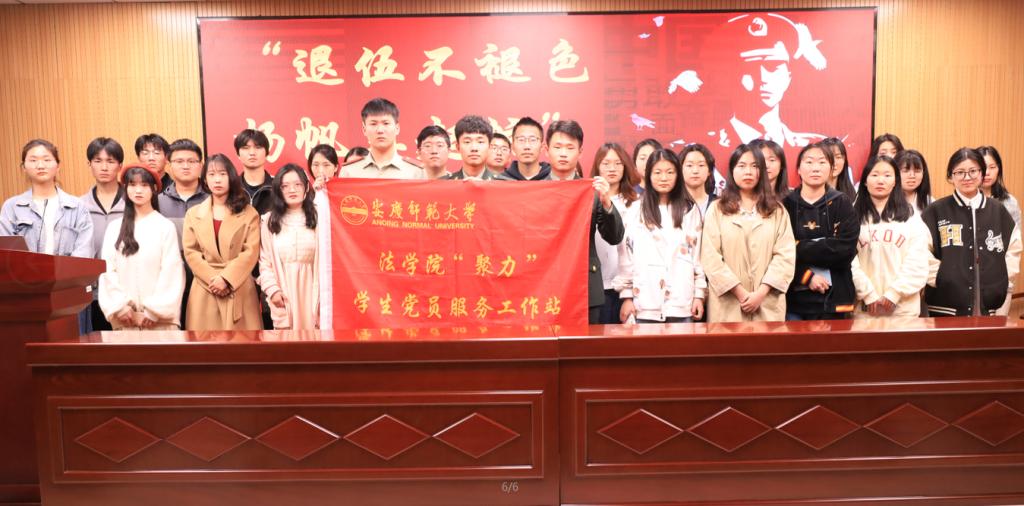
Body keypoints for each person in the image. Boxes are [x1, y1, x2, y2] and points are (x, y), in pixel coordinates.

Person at [1, 140, 94, 333]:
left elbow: (84, 254)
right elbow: (7, 253)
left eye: (46, 159)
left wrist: (60, 282)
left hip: (69, 295)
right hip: (26, 296)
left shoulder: (77, 207)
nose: (40, 165)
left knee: (71, 346)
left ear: (58, 165)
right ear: (24, 167)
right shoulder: (12, 207)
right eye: (33, 160)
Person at [539, 120, 624, 322]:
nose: (563, 153)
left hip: (585, 286)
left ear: (580, 152)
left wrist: (607, 203)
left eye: (570, 148)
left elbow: (614, 237)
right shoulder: (535, 191)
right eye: (557, 147)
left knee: (585, 342)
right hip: (543, 284)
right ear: (546, 150)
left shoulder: (592, 192)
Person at [701, 143, 795, 322]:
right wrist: (740, 293)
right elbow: (710, 257)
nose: (748, 172)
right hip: (728, 305)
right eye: (742, 166)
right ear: (732, 170)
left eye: (755, 166)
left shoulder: (777, 211)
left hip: (766, 304)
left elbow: (785, 257)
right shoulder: (717, 209)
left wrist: (760, 294)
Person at [922, 148, 1021, 316]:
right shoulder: (936, 211)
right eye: (960, 172)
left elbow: (1013, 248)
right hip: (945, 304)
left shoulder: (997, 210)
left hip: (990, 303)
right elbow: (921, 251)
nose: (967, 177)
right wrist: (940, 277)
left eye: (973, 171)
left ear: (981, 173)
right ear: (950, 176)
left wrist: (1001, 278)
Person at [616, 149, 705, 323]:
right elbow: (626, 255)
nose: (664, 178)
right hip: (644, 303)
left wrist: (699, 294)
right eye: (657, 172)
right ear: (648, 175)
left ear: (678, 175)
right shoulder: (635, 209)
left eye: (670, 172)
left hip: (682, 302)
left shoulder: (689, 210)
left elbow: (697, 256)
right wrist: (627, 297)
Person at [98, 164, 184, 330]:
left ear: (154, 189)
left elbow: (172, 272)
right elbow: (107, 270)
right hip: (126, 320)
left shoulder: (165, 227)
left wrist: (154, 311)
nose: (138, 190)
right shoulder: (115, 228)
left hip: (160, 323)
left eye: (144, 185)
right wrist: (120, 307)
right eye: (132, 185)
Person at [182, 154, 262, 330]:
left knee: (243, 343)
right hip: (205, 287)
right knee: (205, 343)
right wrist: (213, 279)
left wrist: (226, 279)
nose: (217, 179)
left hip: (238, 285)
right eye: (211, 174)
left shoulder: (249, 213)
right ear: (205, 179)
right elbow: (191, 252)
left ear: (231, 177)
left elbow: (251, 252)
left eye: (222, 174)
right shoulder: (193, 214)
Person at [783, 142, 859, 320]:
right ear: (798, 169)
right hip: (793, 302)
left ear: (832, 169)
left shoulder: (842, 203)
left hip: (835, 301)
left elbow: (845, 250)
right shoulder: (786, 204)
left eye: (822, 162)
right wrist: (807, 276)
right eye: (809, 162)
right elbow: (779, 252)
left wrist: (798, 246)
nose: (815, 168)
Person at [849, 155, 930, 318]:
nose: (881, 180)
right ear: (865, 181)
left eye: (887, 175)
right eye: (874, 175)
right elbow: (848, 261)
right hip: (864, 310)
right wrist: (867, 293)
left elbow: (918, 261)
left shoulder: (911, 217)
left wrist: (894, 293)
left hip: (903, 310)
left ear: (895, 181)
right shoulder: (851, 215)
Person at [258, 164, 319, 330]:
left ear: (306, 187)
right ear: (278, 190)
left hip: (313, 289)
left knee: (316, 338)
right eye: (285, 186)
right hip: (284, 291)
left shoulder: (319, 217)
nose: (292, 190)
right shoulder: (269, 220)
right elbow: (265, 262)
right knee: (287, 342)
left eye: (298, 184)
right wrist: (273, 290)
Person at [159, 138, 209, 326]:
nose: (186, 166)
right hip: (169, 284)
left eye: (191, 161)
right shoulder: (157, 202)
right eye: (179, 161)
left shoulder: (213, 200)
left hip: (205, 282)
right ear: (169, 165)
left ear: (201, 165)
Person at [591, 143, 640, 323]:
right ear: (597, 166)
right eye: (606, 163)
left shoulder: (637, 203)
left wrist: (630, 293)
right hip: (596, 285)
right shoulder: (589, 199)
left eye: (618, 163)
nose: (612, 168)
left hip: (627, 290)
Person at [80, 137, 126, 331]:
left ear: (120, 165)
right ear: (89, 164)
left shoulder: (133, 203)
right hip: (92, 293)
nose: (104, 167)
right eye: (98, 161)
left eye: (110, 161)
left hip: (126, 292)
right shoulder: (78, 206)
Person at [338, 97, 425, 179]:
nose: (380, 130)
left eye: (386, 123)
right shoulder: (349, 171)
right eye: (373, 124)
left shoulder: (415, 172)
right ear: (364, 129)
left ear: (397, 128)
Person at [442, 115, 498, 180]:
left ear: (489, 146)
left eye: (480, 142)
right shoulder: (444, 183)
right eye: (467, 142)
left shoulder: (502, 184)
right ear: (457, 147)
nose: (474, 148)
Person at [496, 117, 552, 181]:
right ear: (513, 148)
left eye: (532, 140)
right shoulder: (501, 181)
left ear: (541, 147)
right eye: (521, 140)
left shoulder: (553, 179)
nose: (527, 146)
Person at [978, 145, 1021, 228]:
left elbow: (1015, 234)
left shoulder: (1010, 202)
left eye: (992, 167)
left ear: (999, 169)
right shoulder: (965, 201)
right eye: (982, 167)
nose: (987, 173)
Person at [233, 128, 274, 214]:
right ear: (238, 154)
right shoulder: (232, 188)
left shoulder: (277, 187)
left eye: (258, 147)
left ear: (267, 153)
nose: (252, 153)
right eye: (246, 148)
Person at [678, 143, 718, 217]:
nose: (695, 171)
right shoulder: (672, 204)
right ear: (680, 170)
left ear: (709, 171)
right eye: (689, 165)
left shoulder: (719, 204)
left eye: (701, 165)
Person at [894, 149, 932, 216]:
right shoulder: (885, 201)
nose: (912, 175)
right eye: (905, 171)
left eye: (917, 171)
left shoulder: (930, 202)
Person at [821, 137, 857, 201]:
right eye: (829, 157)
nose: (834, 163)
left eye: (838, 157)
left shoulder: (853, 193)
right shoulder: (813, 193)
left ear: (844, 160)